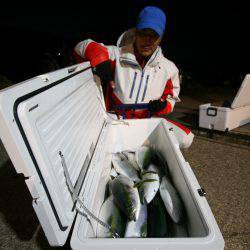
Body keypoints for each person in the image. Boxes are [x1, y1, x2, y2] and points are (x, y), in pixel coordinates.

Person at [74, 6, 193, 148]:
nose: (147, 41)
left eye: (153, 36)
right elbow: (80, 48)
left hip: (147, 120)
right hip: (116, 118)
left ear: (160, 38)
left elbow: (171, 99)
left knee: (186, 138)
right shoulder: (116, 54)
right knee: (86, 136)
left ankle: (144, 147)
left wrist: (162, 105)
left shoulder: (169, 68)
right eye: (143, 34)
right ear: (135, 32)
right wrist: (98, 55)